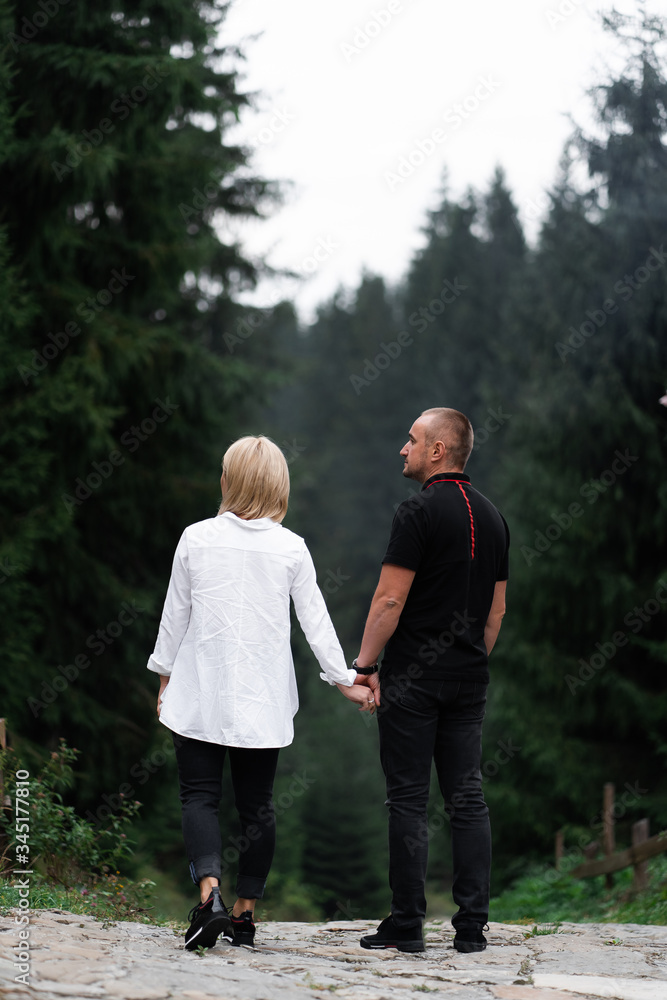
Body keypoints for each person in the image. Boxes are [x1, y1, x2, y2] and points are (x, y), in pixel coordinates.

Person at [147, 435, 374, 951]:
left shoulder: (195, 537)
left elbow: (174, 616)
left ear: (229, 482)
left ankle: (210, 899)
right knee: (258, 807)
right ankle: (245, 916)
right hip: (261, 699)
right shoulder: (291, 547)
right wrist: (345, 680)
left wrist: (163, 676)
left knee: (199, 797)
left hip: (201, 689)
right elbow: (316, 622)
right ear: (279, 485)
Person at [354, 407, 509, 954]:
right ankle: (471, 927)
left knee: (409, 800)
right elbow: (495, 614)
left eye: (413, 439)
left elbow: (390, 599)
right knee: (467, 798)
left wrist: (365, 667)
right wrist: (469, 660)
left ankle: (407, 924)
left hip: (414, 680)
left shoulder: (416, 513)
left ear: (438, 450)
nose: (404, 448)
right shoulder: (494, 518)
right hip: (469, 681)